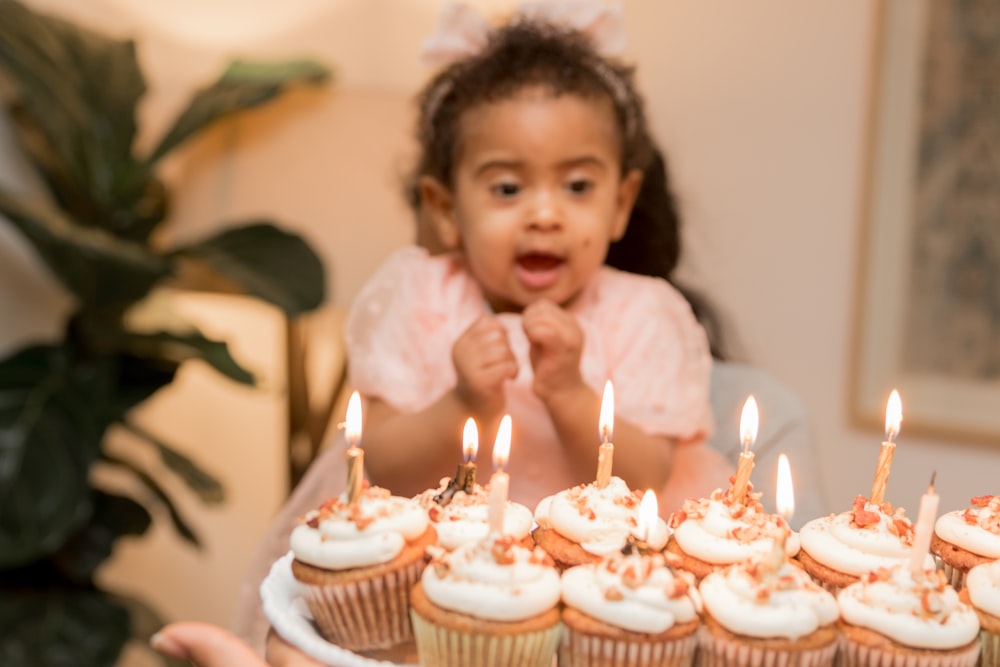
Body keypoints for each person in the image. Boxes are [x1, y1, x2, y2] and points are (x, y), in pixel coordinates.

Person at [157, 4, 736, 664]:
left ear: (621, 202)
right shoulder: (423, 297)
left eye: (577, 184)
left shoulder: (643, 313)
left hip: (604, 592)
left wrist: (571, 392)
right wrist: (462, 403)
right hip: (426, 591)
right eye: (508, 187)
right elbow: (378, 459)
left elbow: (650, 477)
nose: (544, 213)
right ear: (445, 207)